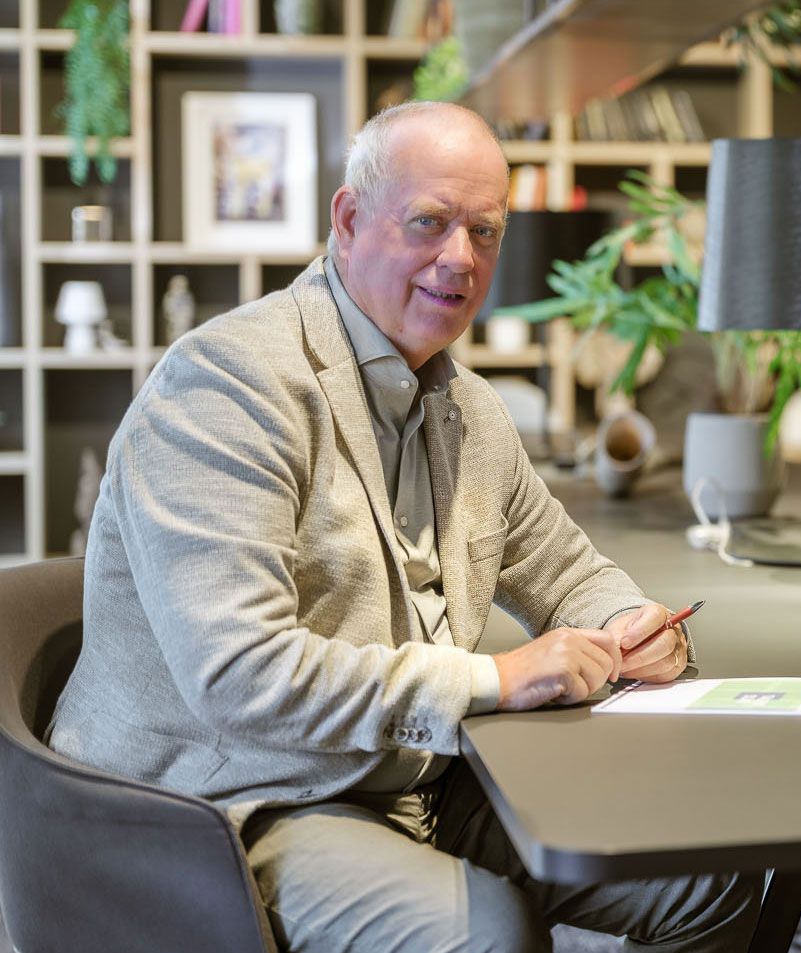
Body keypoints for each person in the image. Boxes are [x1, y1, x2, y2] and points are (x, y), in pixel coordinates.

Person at [49, 101, 759, 952]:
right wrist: (495, 678)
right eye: (429, 222)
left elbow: (567, 570)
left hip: (415, 777)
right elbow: (240, 675)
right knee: (485, 934)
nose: (459, 260)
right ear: (349, 221)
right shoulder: (226, 386)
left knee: (704, 876)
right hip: (236, 801)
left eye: (485, 232)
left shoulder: (470, 409)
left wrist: (629, 623)